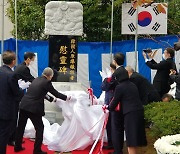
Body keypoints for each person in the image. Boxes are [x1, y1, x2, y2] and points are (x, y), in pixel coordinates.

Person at [14, 67, 71, 154]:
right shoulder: (47, 82)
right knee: (40, 128)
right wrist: (67, 98)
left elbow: (43, 93)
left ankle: (17, 146)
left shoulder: (36, 79)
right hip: (33, 108)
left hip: (23, 105)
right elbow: (56, 93)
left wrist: (53, 100)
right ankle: (37, 150)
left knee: (21, 127)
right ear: (50, 76)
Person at [108, 76, 147, 154]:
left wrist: (108, 108)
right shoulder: (132, 84)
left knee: (131, 139)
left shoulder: (120, 87)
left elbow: (115, 100)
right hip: (138, 111)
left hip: (130, 114)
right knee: (134, 139)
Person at [8, 52, 36, 146]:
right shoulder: (24, 68)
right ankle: (12, 139)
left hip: (17, 94)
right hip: (16, 95)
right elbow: (31, 79)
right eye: (32, 59)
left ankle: (16, 139)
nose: (33, 61)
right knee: (15, 118)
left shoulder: (20, 66)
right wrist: (41, 82)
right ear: (28, 59)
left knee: (17, 118)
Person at [0, 51, 24, 154]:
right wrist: (21, 88)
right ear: (13, 61)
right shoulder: (11, 75)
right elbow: (17, 93)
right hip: (7, 109)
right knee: (4, 135)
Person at [107, 53, 129, 154]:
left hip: (117, 102)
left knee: (116, 128)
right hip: (124, 101)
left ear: (115, 61)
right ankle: (118, 149)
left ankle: (117, 150)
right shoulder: (124, 71)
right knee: (119, 127)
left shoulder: (116, 73)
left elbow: (110, 85)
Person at [101, 63, 116, 149]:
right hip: (109, 103)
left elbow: (104, 87)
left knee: (112, 125)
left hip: (112, 104)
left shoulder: (112, 78)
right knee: (108, 124)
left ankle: (113, 144)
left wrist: (106, 79)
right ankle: (111, 143)